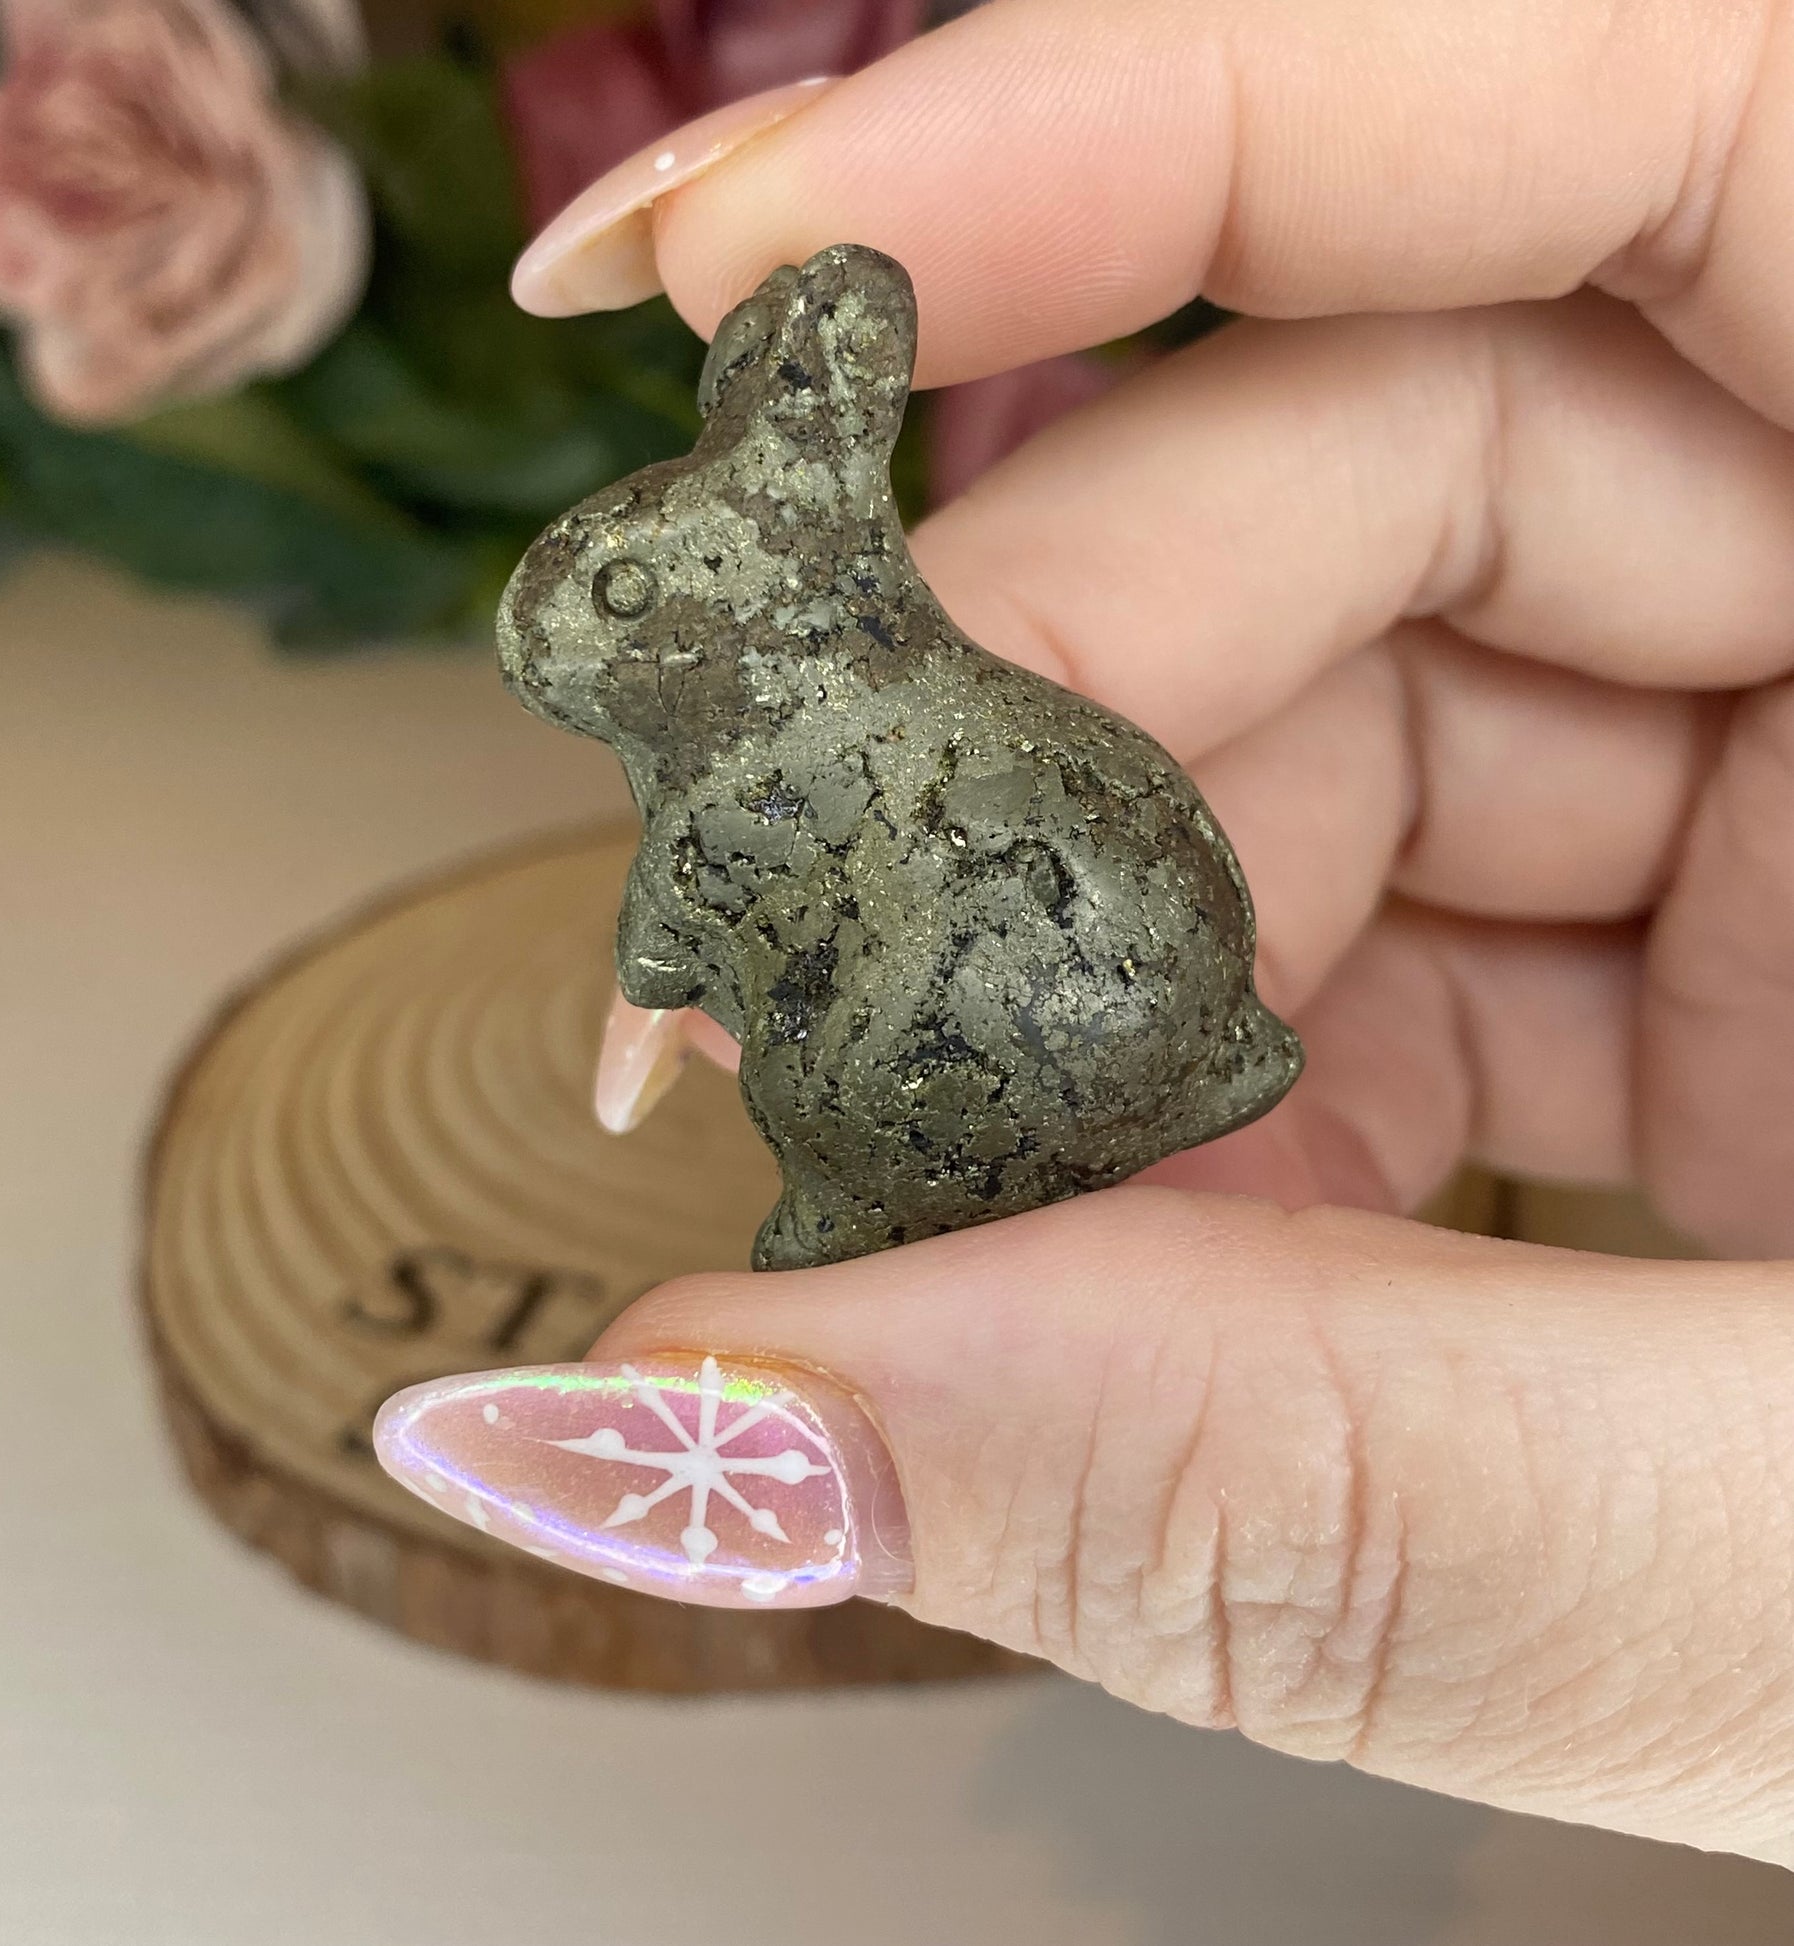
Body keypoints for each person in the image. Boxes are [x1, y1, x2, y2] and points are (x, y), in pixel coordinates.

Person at [400, 0, 1794, 1865]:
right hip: (1154, 993)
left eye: (632, 593)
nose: (575, 635)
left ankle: (873, 1191)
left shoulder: (812, 741)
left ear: (756, 591)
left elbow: (709, 903)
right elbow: (713, 900)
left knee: (851, 1053)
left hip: (1032, 991)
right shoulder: (816, 732)